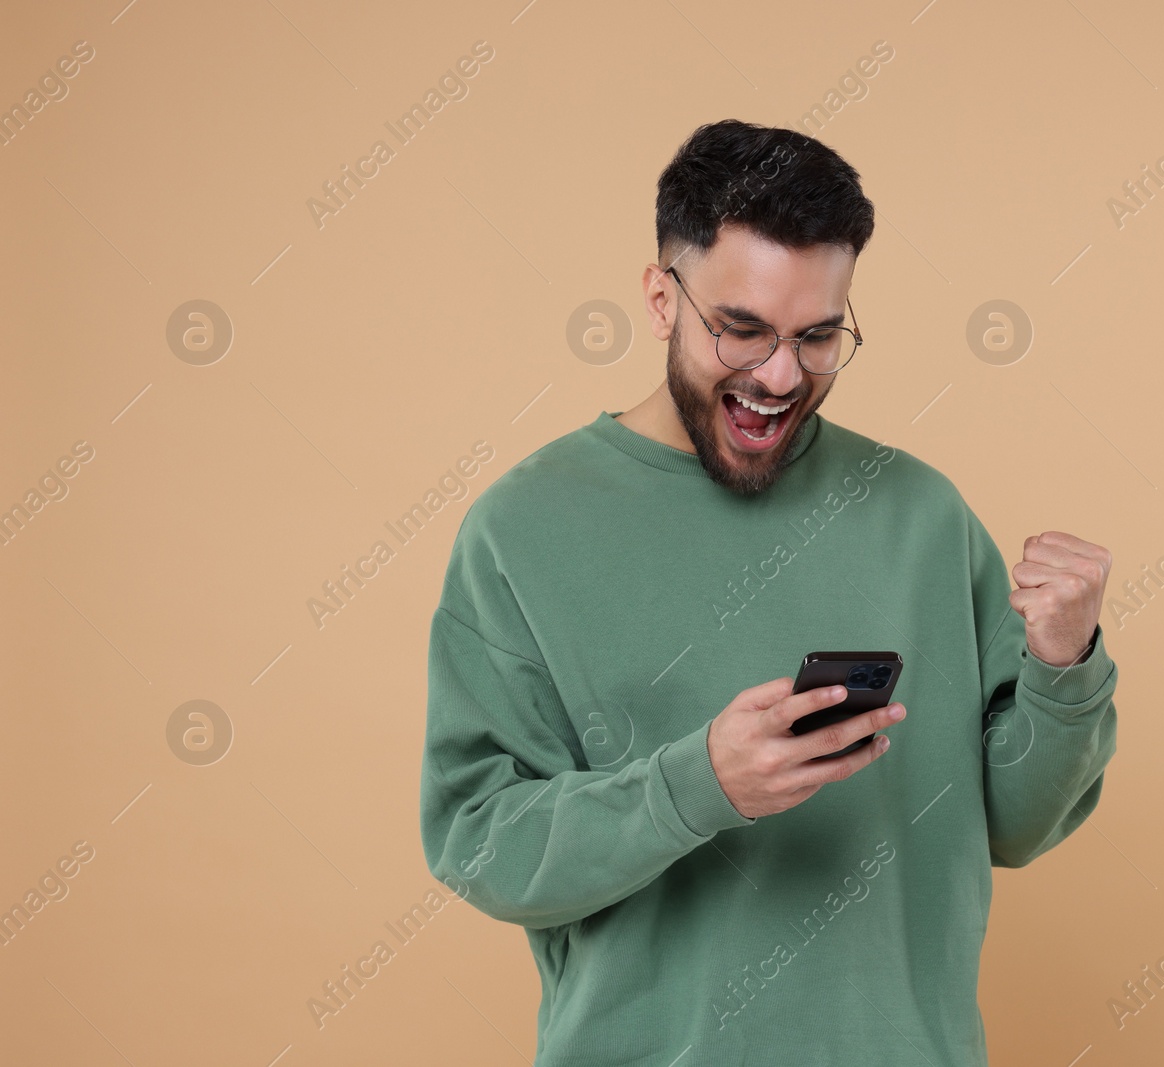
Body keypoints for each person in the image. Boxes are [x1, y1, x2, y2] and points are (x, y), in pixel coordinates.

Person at [419, 118, 1118, 1065]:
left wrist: (1062, 666)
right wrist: (697, 784)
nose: (780, 377)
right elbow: (479, 843)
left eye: (818, 337)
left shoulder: (920, 515)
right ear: (662, 298)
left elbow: (1016, 824)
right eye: (741, 330)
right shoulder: (524, 530)